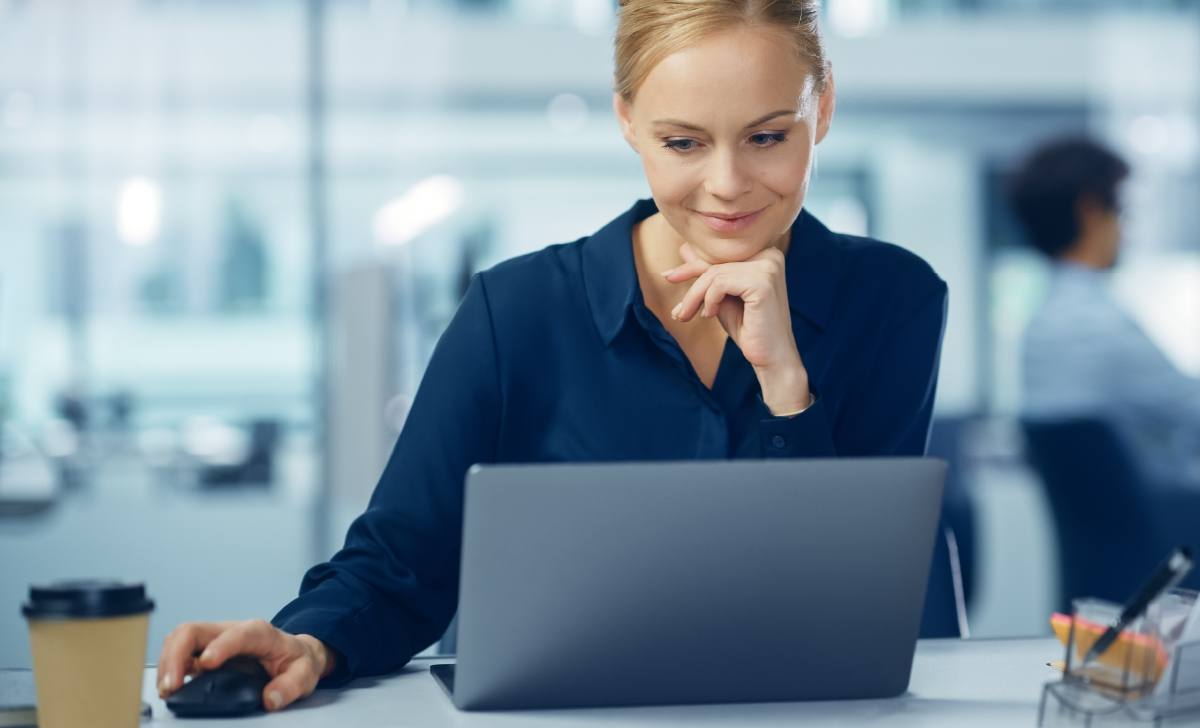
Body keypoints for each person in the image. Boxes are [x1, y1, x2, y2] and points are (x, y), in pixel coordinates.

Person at [156, 0, 948, 712]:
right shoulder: (517, 312)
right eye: (683, 142)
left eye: (769, 137)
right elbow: (399, 563)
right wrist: (311, 642)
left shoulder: (895, 301)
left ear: (826, 105)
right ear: (628, 120)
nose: (728, 185)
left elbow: (848, 608)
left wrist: (786, 388)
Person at [1014, 138, 1200, 483]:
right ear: (1090, 210)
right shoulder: (1095, 324)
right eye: (1121, 210)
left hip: (1103, 532)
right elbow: (1190, 405)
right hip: (1165, 524)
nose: (1125, 231)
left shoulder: (1041, 325)